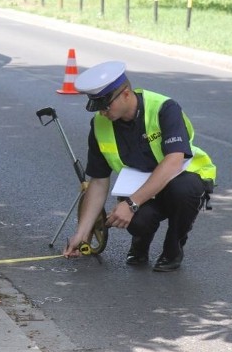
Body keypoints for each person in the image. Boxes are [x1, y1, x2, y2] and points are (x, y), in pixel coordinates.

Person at [63, 61, 216, 272]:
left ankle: (173, 249)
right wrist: (81, 233)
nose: (103, 113)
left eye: (106, 106)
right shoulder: (99, 125)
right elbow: (98, 181)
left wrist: (132, 204)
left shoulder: (164, 108)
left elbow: (173, 161)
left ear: (126, 93)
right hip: (142, 188)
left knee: (184, 191)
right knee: (137, 221)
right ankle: (140, 243)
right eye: (98, 107)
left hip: (179, 179)